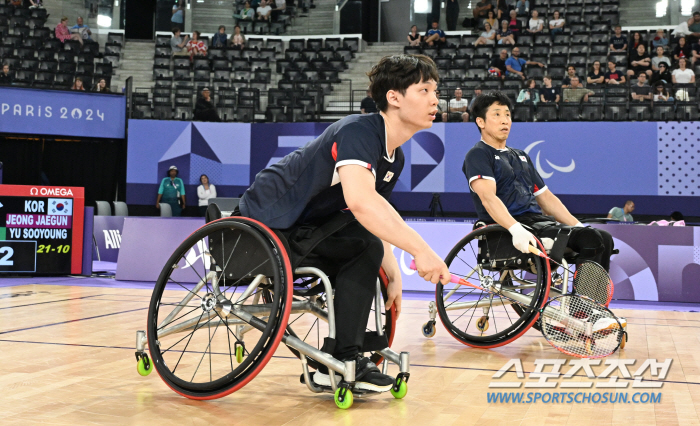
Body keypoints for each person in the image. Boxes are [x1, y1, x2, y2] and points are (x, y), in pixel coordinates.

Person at [237, 54, 450, 392]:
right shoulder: (359, 131)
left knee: (364, 245)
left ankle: (338, 359)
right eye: (424, 90)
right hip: (266, 222)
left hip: (306, 230)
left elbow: (374, 214)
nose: (435, 99)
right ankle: (342, 359)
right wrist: (421, 250)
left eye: (435, 91)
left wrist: (393, 271)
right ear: (394, 97)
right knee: (363, 245)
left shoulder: (395, 154)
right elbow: (362, 203)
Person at [464, 90, 617, 286]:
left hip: (539, 223)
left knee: (603, 237)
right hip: (509, 228)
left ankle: (592, 303)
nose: (505, 120)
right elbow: (488, 198)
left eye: (508, 115)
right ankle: (585, 307)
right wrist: (515, 228)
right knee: (590, 238)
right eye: (497, 114)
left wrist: (577, 225)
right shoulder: (478, 155)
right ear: (481, 122)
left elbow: (546, 198)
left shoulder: (521, 156)